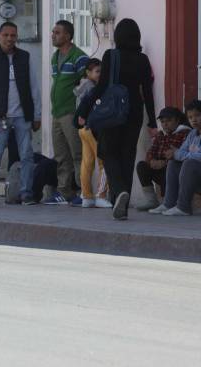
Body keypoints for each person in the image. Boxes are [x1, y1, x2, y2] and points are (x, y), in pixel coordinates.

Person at [82, 18, 156, 221]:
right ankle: (121, 203)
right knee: (127, 155)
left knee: (108, 151)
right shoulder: (143, 60)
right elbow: (147, 92)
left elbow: (101, 86)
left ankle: (119, 191)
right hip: (135, 112)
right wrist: (152, 122)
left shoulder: (111, 55)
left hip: (113, 112)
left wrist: (85, 109)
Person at [0, 21, 42, 208]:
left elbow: (34, 88)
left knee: (27, 155)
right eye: (6, 35)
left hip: (22, 116)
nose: (9, 39)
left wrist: (37, 115)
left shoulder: (25, 57)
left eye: (13, 35)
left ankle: (27, 194)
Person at [151, 100, 201, 216]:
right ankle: (169, 203)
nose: (194, 120)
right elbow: (181, 151)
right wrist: (176, 154)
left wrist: (177, 154)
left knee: (189, 163)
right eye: (190, 117)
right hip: (200, 178)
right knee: (173, 163)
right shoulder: (192, 133)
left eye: (198, 115)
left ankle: (183, 207)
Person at [47, 20, 90, 205]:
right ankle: (64, 192)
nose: (53, 35)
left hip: (71, 113)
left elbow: (88, 85)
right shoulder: (55, 57)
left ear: (67, 36)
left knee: (77, 154)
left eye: (57, 32)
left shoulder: (79, 57)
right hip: (56, 113)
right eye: (53, 32)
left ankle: (83, 192)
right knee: (61, 155)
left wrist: (82, 112)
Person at [134, 107, 189, 211]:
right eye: (162, 121)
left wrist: (165, 162)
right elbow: (151, 151)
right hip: (160, 169)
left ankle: (169, 202)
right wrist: (152, 161)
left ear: (177, 120)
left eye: (169, 121)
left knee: (170, 167)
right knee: (142, 166)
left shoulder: (184, 133)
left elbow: (181, 154)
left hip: (177, 172)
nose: (165, 124)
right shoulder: (161, 135)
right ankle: (151, 200)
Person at [73, 58, 111, 208]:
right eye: (97, 71)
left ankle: (86, 196)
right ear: (88, 73)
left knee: (87, 162)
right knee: (104, 161)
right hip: (92, 128)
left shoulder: (82, 85)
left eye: (101, 71)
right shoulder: (92, 88)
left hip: (82, 130)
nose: (100, 74)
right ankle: (101, 195)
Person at [7, 134, 59, 204]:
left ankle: (31, 195)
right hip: (59, 162)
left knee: (43, 166)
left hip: (67, 170)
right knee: (29, 157)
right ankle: (16, 191)